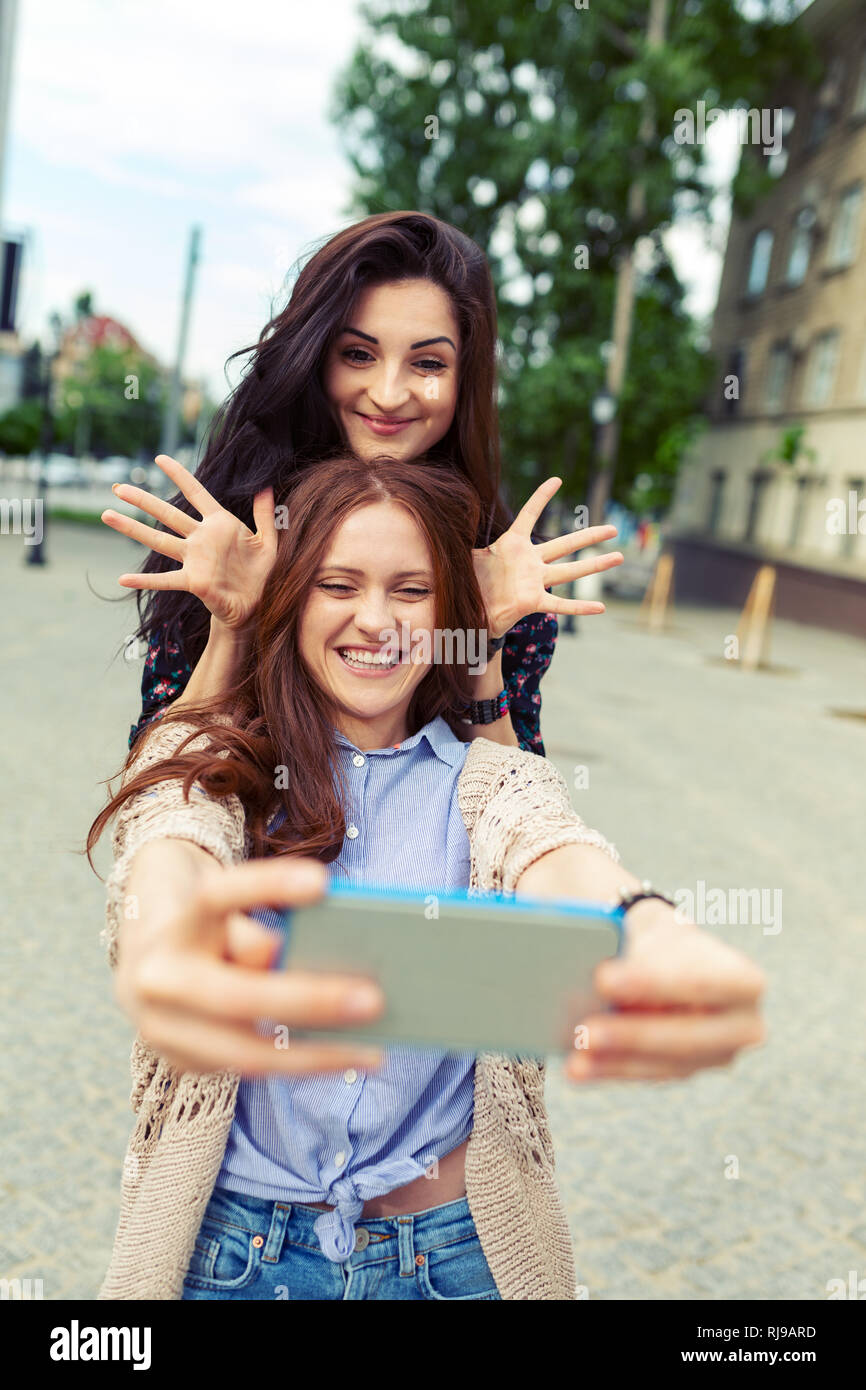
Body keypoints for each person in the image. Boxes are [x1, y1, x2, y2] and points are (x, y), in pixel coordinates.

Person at [89, 455, 767, 1302]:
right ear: (293, 599)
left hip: (448, 1259)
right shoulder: (228, 769)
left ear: (450, 613)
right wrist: (159, 944)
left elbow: (552, 844)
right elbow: (171, 837)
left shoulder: (488, 779)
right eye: (338, 584)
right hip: (231, 1256)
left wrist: (649, 925)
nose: (376, 620)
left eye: (411, 591)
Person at [101, 211, 622, 757]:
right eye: (358, 354)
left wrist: (479, 642)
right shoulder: (225, 534)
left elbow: (524, 817)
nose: (390, 393)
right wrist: (237, 629)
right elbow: (153, 789)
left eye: (427, 362)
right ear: (316, 358)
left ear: (465, 378)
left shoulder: (503, 568)